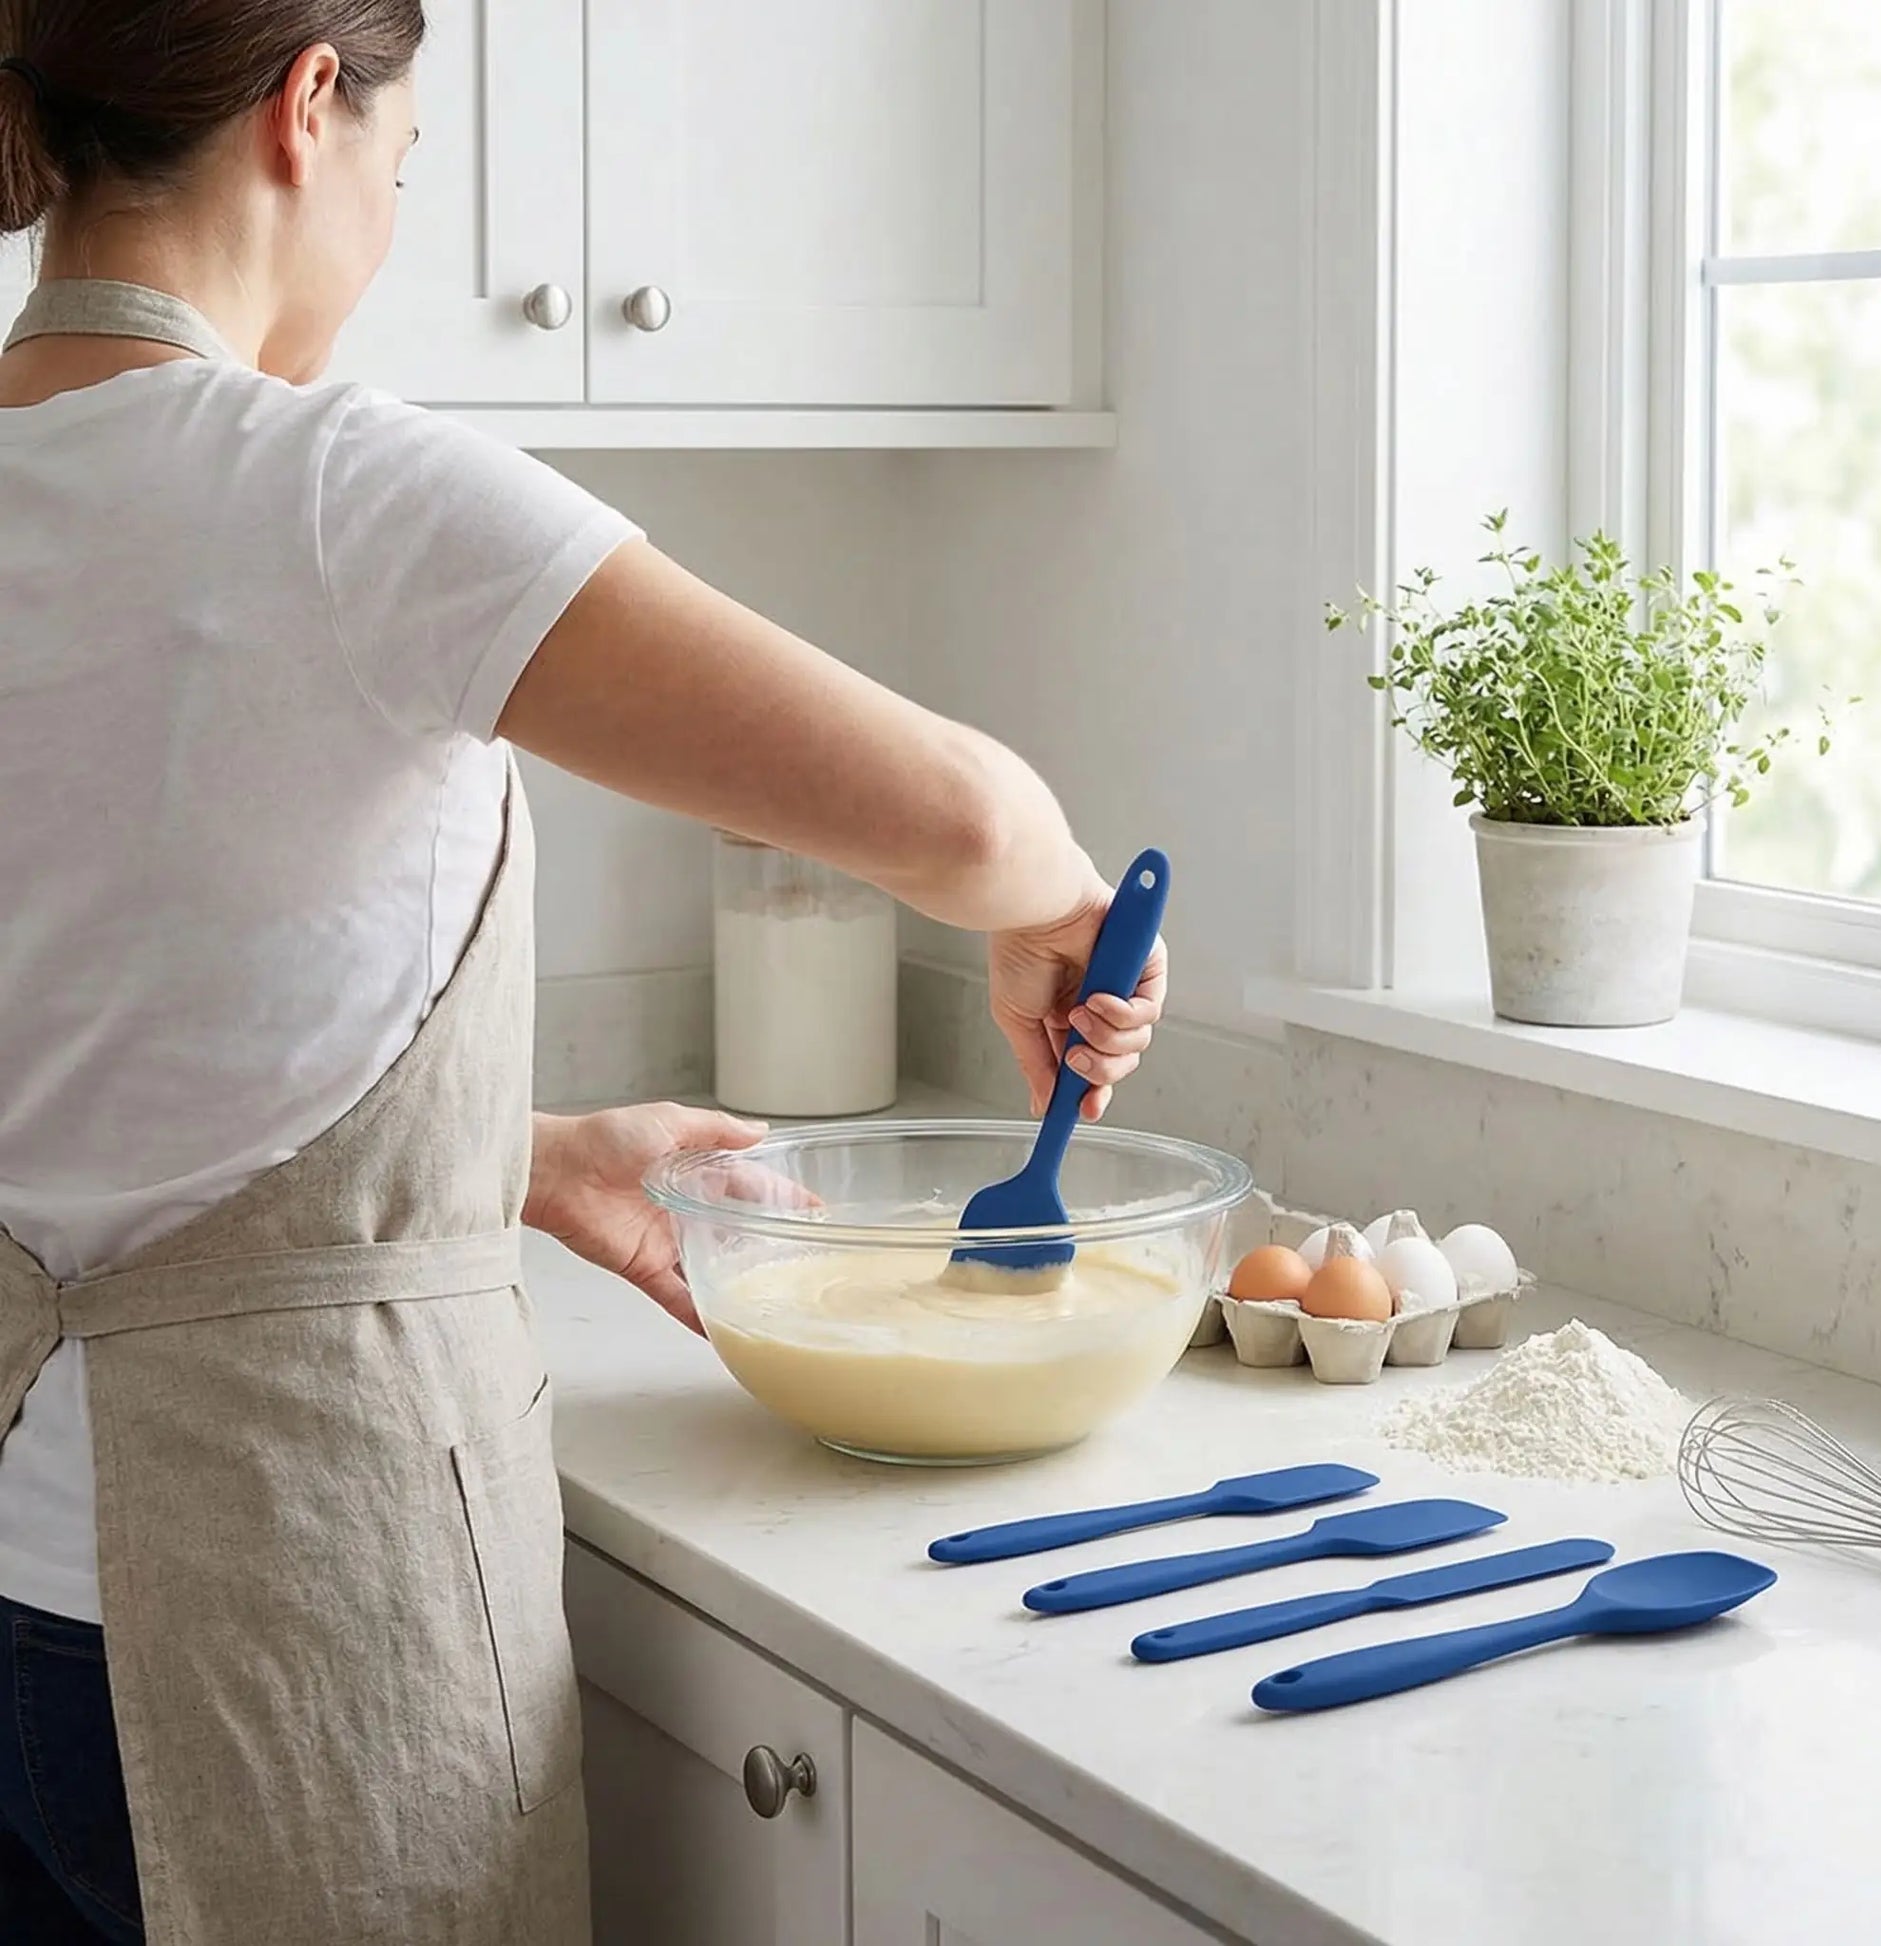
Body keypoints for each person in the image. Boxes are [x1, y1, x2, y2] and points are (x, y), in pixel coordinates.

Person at [0, 5, 1166, 1942]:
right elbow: (956, 816)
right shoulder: (334, 494)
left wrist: (518, 1159)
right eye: (405, 156)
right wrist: (1051, 901)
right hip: (283, 1617)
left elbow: (95, 1034)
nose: (387, 208)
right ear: (309, 107)